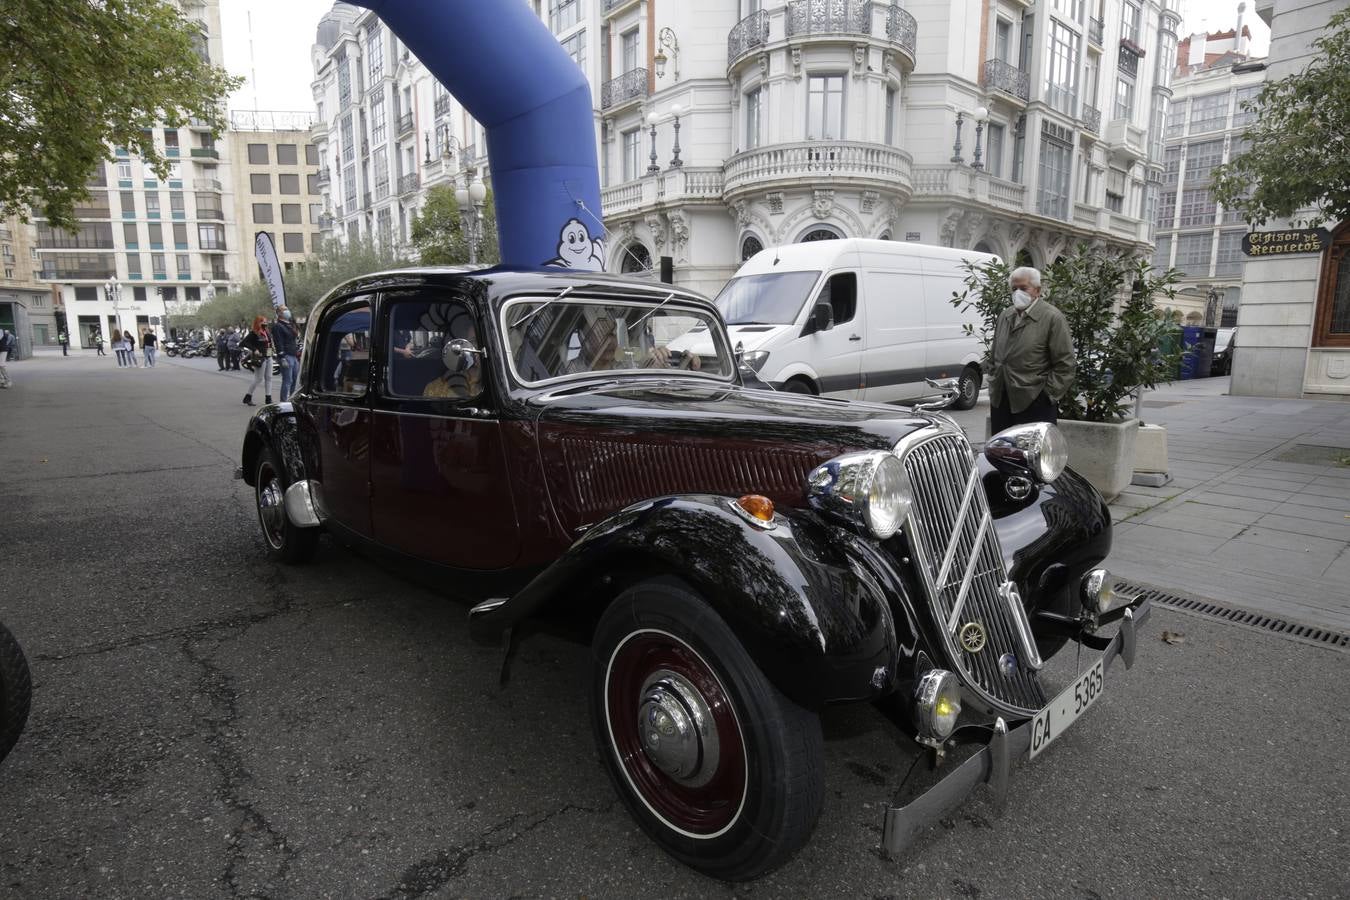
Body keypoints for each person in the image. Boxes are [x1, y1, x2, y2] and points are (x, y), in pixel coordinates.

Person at [987, 266, 1076, 434]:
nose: (1017, 293)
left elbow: (1066, 364)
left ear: (1037, 290)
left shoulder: (1052, 317)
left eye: (1023, 288)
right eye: (1014, 289)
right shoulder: (1005, 316)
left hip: (1034, 401)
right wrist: (993, 381)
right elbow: (994, 357)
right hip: (1001, 399)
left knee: (1032, 457)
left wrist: (1046, 395)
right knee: (1002, 453)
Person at [240, 316, 275, 406]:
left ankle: (268, 398)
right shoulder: (254, 333)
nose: (265, 323)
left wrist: (271, 352)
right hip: (260, 358)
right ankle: (248, 397)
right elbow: (243, 343)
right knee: (258, 379)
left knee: (269, 378)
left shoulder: (266, 332)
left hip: (269, 356)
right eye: (262, 322)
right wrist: (254, 349)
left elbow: (269, 344)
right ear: (257, 323)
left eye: (265, 321)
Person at [271, 306, 301, 401]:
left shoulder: (289, 324)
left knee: (294, 380)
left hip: (294, 355)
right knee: (287, 381)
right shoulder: (277, 326)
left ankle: (292, 400)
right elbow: (278, 342)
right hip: (286, 355)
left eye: (287, 309)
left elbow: (295, 337)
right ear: (279, 313)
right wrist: (282, 357)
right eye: (285, 310)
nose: (288, 311)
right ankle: (283, 402)